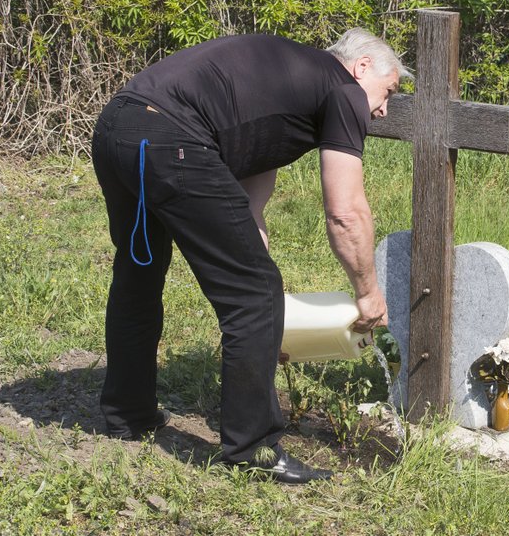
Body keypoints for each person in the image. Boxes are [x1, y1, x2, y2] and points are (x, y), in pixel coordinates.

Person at [91, 28, 412, 482]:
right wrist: (368, 293)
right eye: (388, 91)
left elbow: (246, 212)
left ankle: (128, 414)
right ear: (361, 68)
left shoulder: (288, 83)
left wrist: (263, 334)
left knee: (139, 278)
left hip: (118, 128)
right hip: (171, 138)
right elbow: (346, 212)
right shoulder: (344, 92)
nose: (382, 109)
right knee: (255, 294)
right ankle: (254, 449)